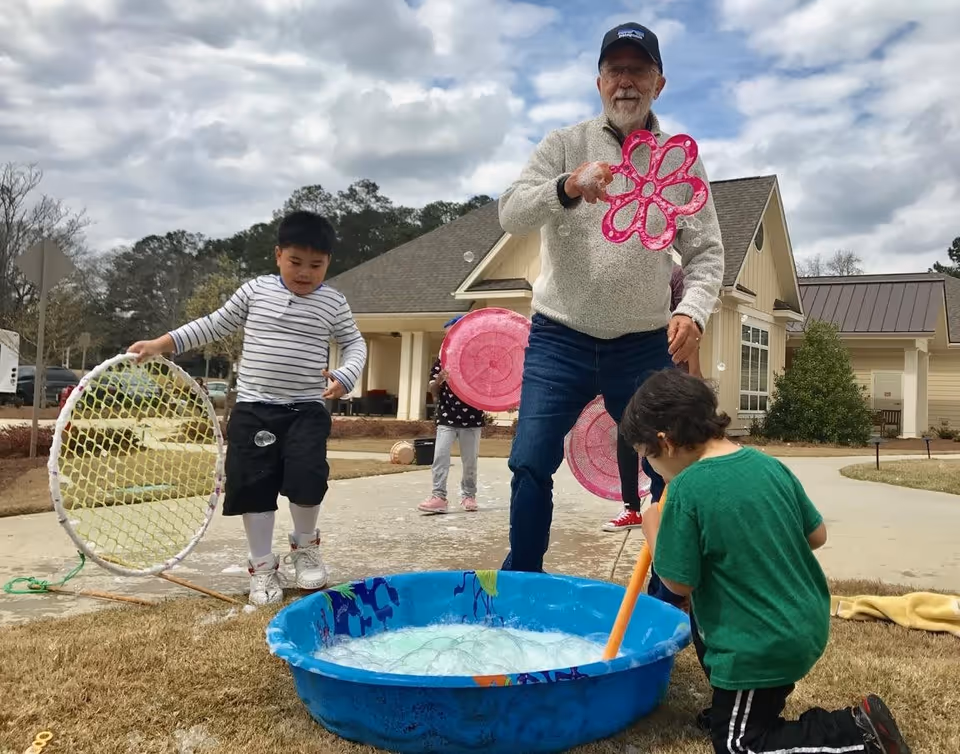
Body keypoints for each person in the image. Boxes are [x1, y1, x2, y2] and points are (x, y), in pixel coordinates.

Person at [497, 21, 724, 572]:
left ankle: (669, 591)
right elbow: (510, 211)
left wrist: (692, 310)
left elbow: (707, 253)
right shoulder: (563, 145)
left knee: (668, 463)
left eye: (638, 70)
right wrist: (567, 187)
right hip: (559, 335)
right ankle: (524, 580)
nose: (626, 81)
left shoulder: (679, 159)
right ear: (598, 82)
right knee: (529, 460)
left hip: (644, 343)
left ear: (659, 83)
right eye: (615, 70)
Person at [620, 369, 912, 754]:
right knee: (706, 615)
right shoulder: (766, 464)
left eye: (646, 459)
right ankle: (737, 710)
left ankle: (855, 732)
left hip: (761, 643)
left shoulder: (689, 488)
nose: (650, 470)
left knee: (739, 746)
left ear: (666, 442)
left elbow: (678, 583)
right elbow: (817, 535)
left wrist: (652, 529)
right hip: (802, 620)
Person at [128, 211, 366, 606]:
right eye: (295, 262)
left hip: (307, 409)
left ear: (328, 263)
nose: (305, 273)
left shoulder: (333, 302)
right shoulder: (255, 292)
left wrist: (347, 373)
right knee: (254, 487)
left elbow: (356, 344)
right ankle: (262, 567)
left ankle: (305, 549)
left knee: (308, 480)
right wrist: (160, 344)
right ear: (277, 255)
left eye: (316, 265)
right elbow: (211, 325)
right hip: (256, 410)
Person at [605, 263, 701, 532]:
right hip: (630, 367)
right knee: (628, 434)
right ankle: (631, 508)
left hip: (669, 368)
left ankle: (668, 506)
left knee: (669, 441)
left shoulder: (675, 275)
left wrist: (694, 372)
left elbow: (689, 329)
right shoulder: (627, 272)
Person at [418, 315, 483, 514]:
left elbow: (489, 388)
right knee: (440, 457)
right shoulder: (443, 359)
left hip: (471, 418)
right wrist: (438, 381)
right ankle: (439, 497)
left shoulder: (478, 358)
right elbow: (433, 389)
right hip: (447, 416)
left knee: (469, 461)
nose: (449, 339)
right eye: (447, 336)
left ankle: (469, 496)